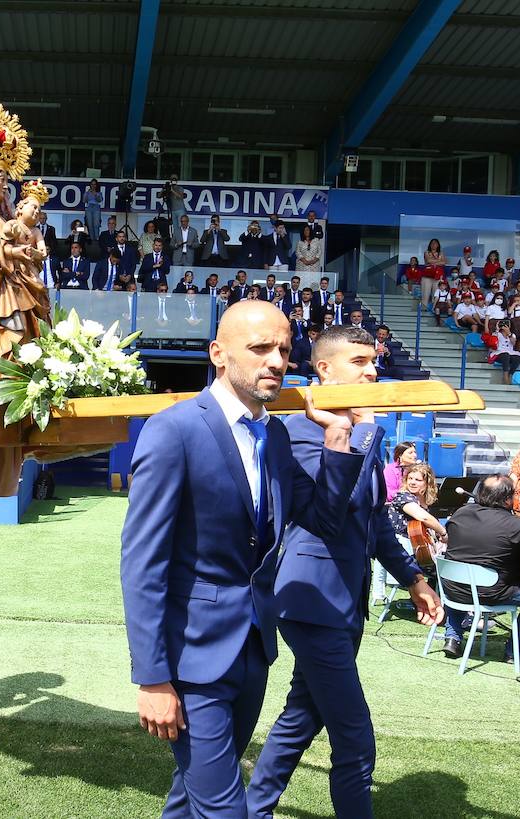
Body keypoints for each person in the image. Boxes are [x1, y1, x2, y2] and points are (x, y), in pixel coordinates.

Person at [121, 300, 371, 819]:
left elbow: (325, 519)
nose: (275, 361)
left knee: (190, 799)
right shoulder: (174, 431)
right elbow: (142, 564)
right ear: (218, 353)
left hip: (253, 650)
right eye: (259, 348)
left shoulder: (274, 435)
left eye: (283, 349)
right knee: (223, 809)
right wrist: (152, 678)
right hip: (191, 660)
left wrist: (338, 436)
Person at [248, 326, 441, 819]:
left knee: (301, 716)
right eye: (359, 361)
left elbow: (373, 519)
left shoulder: (356, 431)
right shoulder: (296, 433)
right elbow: (333, 513)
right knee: (355, 737)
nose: (372, 370)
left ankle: (254, 808)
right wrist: (362, 431)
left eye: (373, 361)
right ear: (325, 369)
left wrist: (413, 579)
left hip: (345, 602)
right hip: (310, 601)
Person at [439, 474, 520, 660]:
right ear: (509, 499)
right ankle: (514, 651)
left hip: (451, 589)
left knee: (463, 579)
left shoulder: (460, 513)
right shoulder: (517, 525)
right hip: (491, 592)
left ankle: (453, 638)